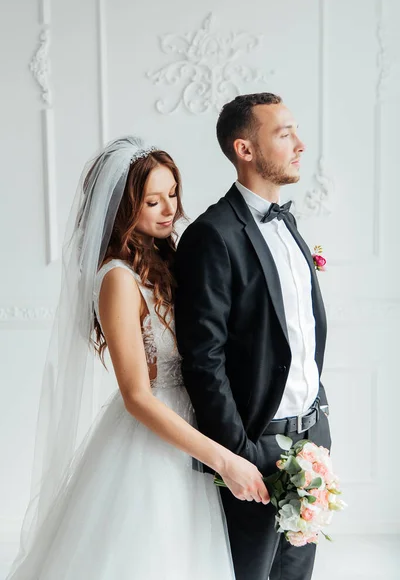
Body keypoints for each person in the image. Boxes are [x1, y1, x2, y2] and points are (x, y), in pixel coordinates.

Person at [7, 136, 269, 580]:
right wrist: (223, 459)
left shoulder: (167, 262)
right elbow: (136, 396)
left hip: (195, 422)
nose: (169, 209)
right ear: (122, 209)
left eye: (172, 194)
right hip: (153, 441)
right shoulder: (117, 279)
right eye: (152, 201)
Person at [174, 93, 332, 580]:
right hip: (254, 445)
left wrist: (318, 422)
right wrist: (236, 454)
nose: (300, 144)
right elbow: (203, 359)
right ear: (245, 149)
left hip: (312, 438)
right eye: (284, 134)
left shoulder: (289, 226)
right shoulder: (212, 234)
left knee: (297, 574)